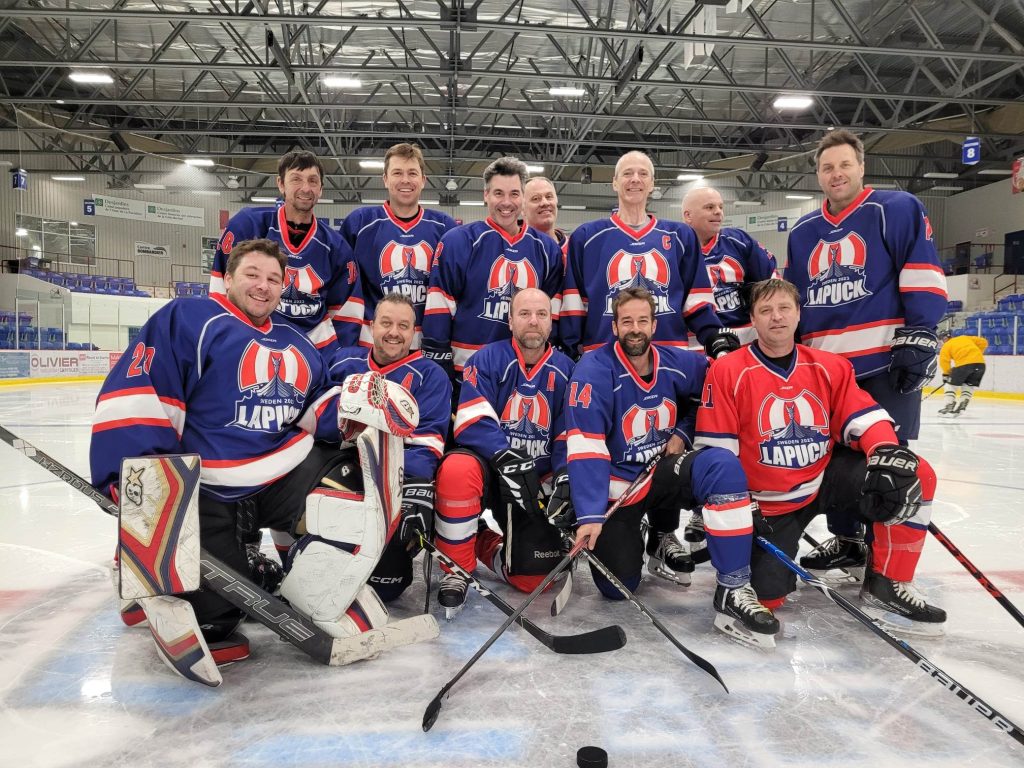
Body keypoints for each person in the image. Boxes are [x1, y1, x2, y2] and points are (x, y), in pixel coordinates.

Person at [92, 238, 428, 671]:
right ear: (229, 278)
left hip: (276, 474)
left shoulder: (296, 341)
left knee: (352, 482)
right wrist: (140, 491)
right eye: (252, 274)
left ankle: (312, 594)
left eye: (273, 279)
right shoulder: (189, 320)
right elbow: (141, 396)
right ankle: (159, 583)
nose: (262, 285)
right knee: (216, 618)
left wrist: (355, 410)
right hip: (206, 486)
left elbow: (314, 406)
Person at [695, 278, 945, 636]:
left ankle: (889, 583)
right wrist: (739, 503)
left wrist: (884, 449)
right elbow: (719, 451)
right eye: (766, 310)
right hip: (768, 504)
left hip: (822, 478)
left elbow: (862, 416)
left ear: (799, 314)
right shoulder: (727, 370)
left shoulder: (830, 365)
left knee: (911, 473)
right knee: (768, 597)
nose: (776, 317)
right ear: (752, 319)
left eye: (784, 308)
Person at [564, 287, 779, 647]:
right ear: (614, 327)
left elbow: (711, 391)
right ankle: (640, 534)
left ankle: (733, 587)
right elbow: (586, 447)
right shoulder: (593, 370)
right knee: (617, 588)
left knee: (721, 465)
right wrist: (589, 514)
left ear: (654, 325)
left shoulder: (680, 362)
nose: (635, 329)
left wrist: (683, 430)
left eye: (642, 321)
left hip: (663, 472)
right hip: (620, 489)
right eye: (627, 321)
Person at [786, 129, 947, 568]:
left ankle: (887, 559)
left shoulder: (896, 208)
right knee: (835, 457)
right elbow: (796, 298)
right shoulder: (802, 231)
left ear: (861, 166)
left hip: (884, 363)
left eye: (844, 164)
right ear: (818, 175)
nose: (836, 174)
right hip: (827, 370)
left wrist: (921, 331)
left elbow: (921, 270)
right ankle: (847, 540)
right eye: (827, 167)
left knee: (890, 459)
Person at [432, 288, 572, 619]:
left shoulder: (567, 370)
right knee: (456, 469)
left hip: (534, 484)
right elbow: (471, 420)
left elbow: (570, 434)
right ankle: (456, 569)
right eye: (524, 314)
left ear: (551, 321)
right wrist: (505, 456)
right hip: (491, 471)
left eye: (541, 314)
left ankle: (480, 539)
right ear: (510, 321)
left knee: (532, 579)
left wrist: (564, 476)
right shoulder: (486, 360)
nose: (533, 321)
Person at [326, 293, 452, 601]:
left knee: (387, 586)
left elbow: (427, 445)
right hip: (341, 472)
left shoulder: (430, 375)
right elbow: (320, 422)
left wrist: (411, 486)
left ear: (413, 332)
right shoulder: (343, 362)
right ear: (371, 326)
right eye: (386, 323)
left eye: (403, 326)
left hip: (391, 481)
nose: (394, 332)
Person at [559, 151, 737, 359]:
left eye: (643, 174)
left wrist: (713, 335)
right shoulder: (586, 237)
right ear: (615, 182)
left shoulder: (681, 236)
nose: (635, 179)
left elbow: (696, 299)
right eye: (627, 173)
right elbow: (574, 304)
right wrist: (571, 351)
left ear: (652, 183)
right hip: (605, 357)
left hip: (669, 356)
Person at [422, 157, 564, 377]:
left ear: (523, 197)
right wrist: (441, 369)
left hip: (525, 372)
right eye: (498, 193)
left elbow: (550, 316)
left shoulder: (547, 249)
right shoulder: (458, 241)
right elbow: (439, 308)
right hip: (467, 371)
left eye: (514, 194)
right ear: (486, 195)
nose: (506, 202)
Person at [210, 151, 364, 353]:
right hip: (253, 345)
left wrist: (338, 358)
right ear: (281, 184)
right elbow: (221, 287)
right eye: (296, 179)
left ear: (321, 189)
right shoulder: (248, 225)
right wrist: (223, 343)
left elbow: (347, 312)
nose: (306, 188)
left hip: (315, 351)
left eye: (313, 181)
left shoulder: (336, 247)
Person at [340, 143, 457, 349]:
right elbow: (343, 289)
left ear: (423, 180)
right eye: (397, 173)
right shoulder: (359, 223)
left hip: (425, 347)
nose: (405, 180)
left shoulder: (445, 227)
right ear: (385, 179)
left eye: (412, 173)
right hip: (373, 345)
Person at [682, 185, 780, 345]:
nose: (718, 212)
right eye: (709, 207)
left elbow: (773, 281)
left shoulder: (739, 241)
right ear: (688, 215)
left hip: (746, 338)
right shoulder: (676, 249)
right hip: (696, 341)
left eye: (720, 207)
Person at [938, 333, 987, 415]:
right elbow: (983, 342)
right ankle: (963, 404)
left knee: (950, 385)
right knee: (968, 385)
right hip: (980, 365)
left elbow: (944, 361)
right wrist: (977, 353)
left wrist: (946, 374)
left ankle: (949, 406)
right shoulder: (964, 338)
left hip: (964, 366)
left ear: (944, 339)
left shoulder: (947, 345)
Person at [523, 176, 568, 254]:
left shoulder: (574, 250)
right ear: (522, 208)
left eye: (549, 197)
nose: (545, 203)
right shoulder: (510, 250)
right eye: (536, 198)